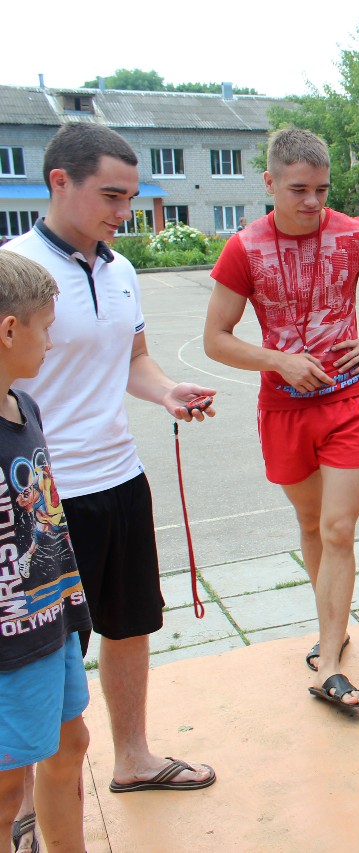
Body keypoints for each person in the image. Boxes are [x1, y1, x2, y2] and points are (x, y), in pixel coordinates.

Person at [4, 123, 218, 802]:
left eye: (129, 196)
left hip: (120, 477)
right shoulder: (13, 271)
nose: (124, 211)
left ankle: (133, 757)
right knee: (43, 654)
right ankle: (28, 802)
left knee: (131, 623)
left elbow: (134, 360)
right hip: (43, 497)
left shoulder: (121, 270)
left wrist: (167, 391)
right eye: (111, 195)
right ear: (59, 182)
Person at [204, 127, 359, 710]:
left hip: (350, 400)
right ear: (270, 183)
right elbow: (215, 340)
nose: (312, 202)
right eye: (299, 189)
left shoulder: (354, 235)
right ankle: (335, 627)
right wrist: (277, 359)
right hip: (282, 408)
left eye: (322, 190)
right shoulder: (244, 248)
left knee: (338, 529)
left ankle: (328, 661)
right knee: (311, 527)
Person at [0, 252, 93, 853]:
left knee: (71, 744)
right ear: (9, 329)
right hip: (10, 647)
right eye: (46, 326)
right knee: (7, 786)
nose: (52, 343)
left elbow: (48, 516)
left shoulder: (24, 406)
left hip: (51, 622)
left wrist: (72, 604)